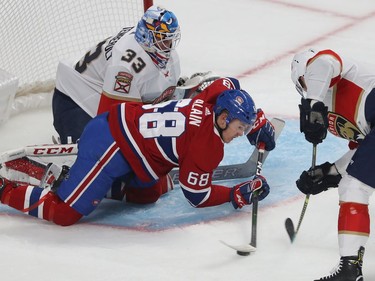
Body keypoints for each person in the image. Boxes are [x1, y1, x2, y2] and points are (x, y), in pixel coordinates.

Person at [0, 77, 276, 226]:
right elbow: (198, 196)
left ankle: (78, 183)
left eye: (245, 128)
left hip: (128, 140)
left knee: (149, 193)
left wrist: (256, 124)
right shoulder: (207, 147)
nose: (242, 134)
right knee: (63, 214)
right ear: (224, 118)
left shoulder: (212, 98)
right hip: (110, 145)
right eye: (241, 127)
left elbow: (229, 82)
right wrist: (234, 194)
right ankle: (4, 187)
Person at [291, 48, 375, 281]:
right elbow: (365, 156)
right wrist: (329, 173)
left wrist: (313, 104)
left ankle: (349, 271)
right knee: (353, 183)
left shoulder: (328, 69)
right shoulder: (331, 103)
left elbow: (324, 61)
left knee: (354, 187)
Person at [52, 5, 181, 144]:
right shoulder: (125, 65)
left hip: (99, 85)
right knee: (97, 148)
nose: (168, 45)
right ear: (146, 35)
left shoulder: (152, 47)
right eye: (163, 38)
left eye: (170, 39)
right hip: (75, 96)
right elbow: (112, 118)